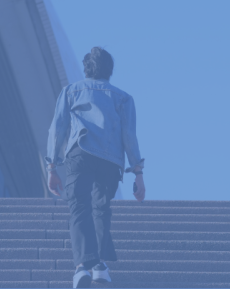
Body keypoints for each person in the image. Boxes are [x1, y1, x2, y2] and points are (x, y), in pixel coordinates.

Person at [45, 47, 145, 288]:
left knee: (79, 206)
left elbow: (57, 130)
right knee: (101, 207)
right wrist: (138, 173)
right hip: (110, 159)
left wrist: (52, 166)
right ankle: (99, 266)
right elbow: (129, 136)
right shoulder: (123, 98)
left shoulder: (71, 91)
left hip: (80, 152)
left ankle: (81, 268)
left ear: (86, 69)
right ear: (110, 71)